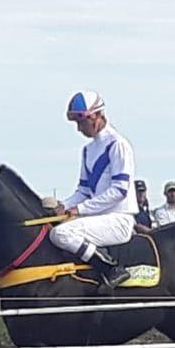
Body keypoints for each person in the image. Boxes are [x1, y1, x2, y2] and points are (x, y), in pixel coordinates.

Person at [52, 91, 137, 288]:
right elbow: (83, 191)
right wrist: (63, 206)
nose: (79, 129)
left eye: (81, 122)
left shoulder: (118, 145)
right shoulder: (87, 151)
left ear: (97, 116)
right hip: (97, 217)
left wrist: (80, 210)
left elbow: (119, 190)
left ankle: (111, 268)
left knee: (60, 235)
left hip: (119, 220)